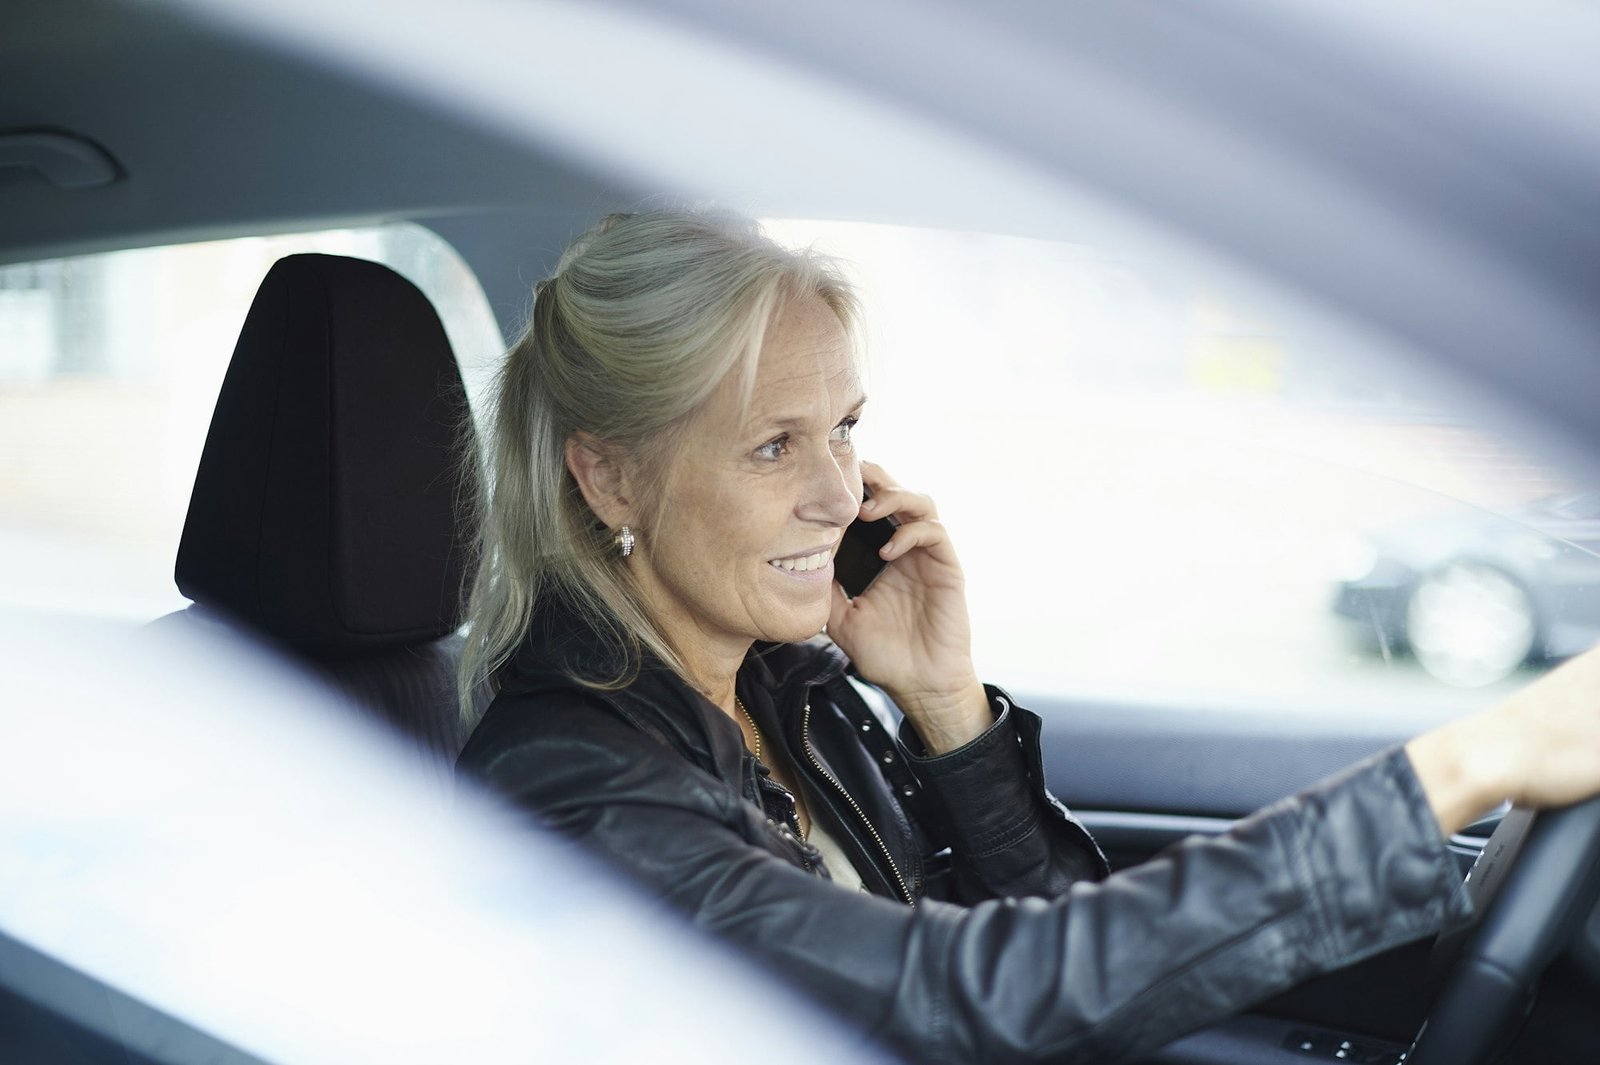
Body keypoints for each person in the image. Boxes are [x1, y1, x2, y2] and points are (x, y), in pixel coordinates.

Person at [455, 209, 1600, 1063]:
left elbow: (1061, 960)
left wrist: (944, 703)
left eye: (845, 429)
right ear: (608, 478)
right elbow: (974, 997)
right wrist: (1463, 766)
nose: (837, 493)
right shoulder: (574, 790)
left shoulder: (788, 695)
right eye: (773, 447)